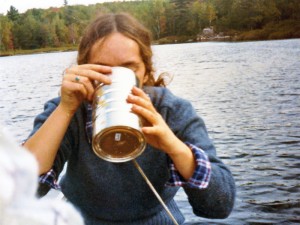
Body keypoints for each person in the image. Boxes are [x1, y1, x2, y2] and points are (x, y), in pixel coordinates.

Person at [24, 13, 235, 225]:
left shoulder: (172, 110)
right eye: (102, 69)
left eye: (128, 67)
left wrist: (174, 147)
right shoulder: (67, 109)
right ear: (84, 69)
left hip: (156, 218)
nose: (113, 78)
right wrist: (65, 110)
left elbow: (220, 206)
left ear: (145, 71)